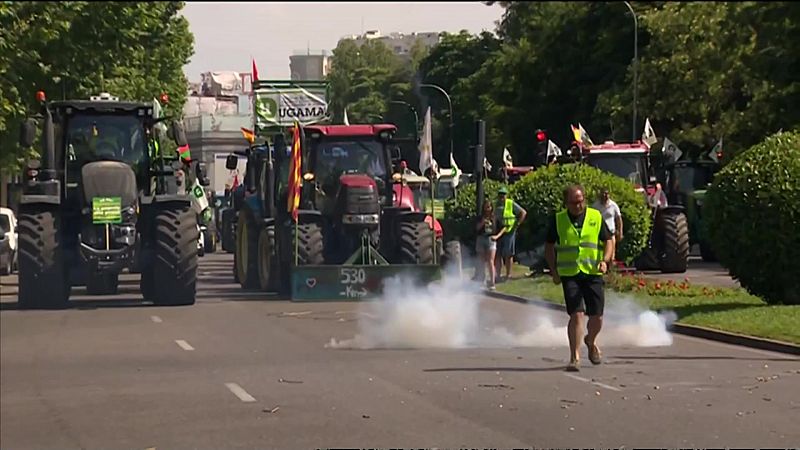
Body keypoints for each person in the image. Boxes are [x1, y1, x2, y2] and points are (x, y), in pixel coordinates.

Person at [545, 184, 614, 372]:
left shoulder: (595, 217)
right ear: (566, 203)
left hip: (592, 272)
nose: (578, 205)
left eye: (581, 201)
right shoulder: (558, 220)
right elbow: (549, 246)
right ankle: (574, 357)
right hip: (570, 274)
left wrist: (605, 261)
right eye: (574, 202)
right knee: (576, 314)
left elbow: (608, 240)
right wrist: (554, 270)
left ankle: (590, 341)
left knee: (597, 316)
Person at [495, 186, 527, 281]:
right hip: (499, 230)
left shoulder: (510, 203)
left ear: (506, 195)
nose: (501, 197)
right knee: (498, 254)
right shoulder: (496, 204)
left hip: (509, 231)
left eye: (503, 195)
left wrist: (517, 224)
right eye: (500, 195)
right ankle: (498, 275)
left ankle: (508, 275)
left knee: (508, 254)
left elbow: (523, 212)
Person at [475, 198, 506, 290]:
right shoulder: (480, 217)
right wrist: (482, 223)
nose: (487, 209)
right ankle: (482, 281)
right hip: (481, 238)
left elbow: (504, 228)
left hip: (490, 239)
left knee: (490, 261)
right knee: (481, 261)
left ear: (491, 208)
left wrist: (497, 236)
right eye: (485, 207)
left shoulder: (495, 218)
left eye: (489, 207)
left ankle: (492, 282)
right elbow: (476, 229)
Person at [592, 188, 623, 260]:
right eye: (603, 193)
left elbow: (618, 219)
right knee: (601, 255)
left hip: (611, 233)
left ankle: (611, 269)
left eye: (606, 194)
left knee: (611, 256)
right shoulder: (595, 206)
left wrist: (620, 232)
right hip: (599, 234)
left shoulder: (613, 205)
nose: (605, 195)